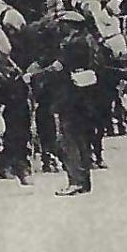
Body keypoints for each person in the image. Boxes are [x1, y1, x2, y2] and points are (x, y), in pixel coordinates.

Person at [31, 11, 96, 196]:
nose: (60, 27)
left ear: (70, 25)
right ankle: (84, 181)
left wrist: (35, 75)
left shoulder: (71, 44)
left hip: (69, 96)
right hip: (84, 96)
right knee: (82, 139)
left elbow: (57, 67)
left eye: (63, 23)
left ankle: (74, 181)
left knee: (68, 139)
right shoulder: (88, 41)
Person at [0, 54, 33, 186]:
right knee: (12, 135)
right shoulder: (1, 65)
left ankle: (21, 165)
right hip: (10, 103)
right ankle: (9, 165)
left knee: (23, 134)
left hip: (21, 102)